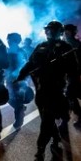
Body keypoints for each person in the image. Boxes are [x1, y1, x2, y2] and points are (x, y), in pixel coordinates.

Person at [14, 21, 79, 160]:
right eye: (47, 29)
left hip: (55, 90)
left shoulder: (66, 48)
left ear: (58, 32)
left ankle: (40, 150)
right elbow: (30, 63)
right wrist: (21, 75)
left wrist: (72, 88)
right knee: (46, 120)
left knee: (47, 121)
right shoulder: (41, 46)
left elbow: (74, 71)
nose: (48, 32)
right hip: (40, 89)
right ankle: (56, 139)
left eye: (51, 30)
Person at [5, 32, 32, 130]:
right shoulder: (8, 51)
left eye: (10, 39)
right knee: (9, 98)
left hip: (19, 80)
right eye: (8, 39)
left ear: (15, 41)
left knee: (17, 99)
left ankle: (18, 121)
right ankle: (20, 108)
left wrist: (15, 74)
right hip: (9, 79)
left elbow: (23, 64)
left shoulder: (21, 51)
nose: (8, 41)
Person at [63, 24, 81, 129]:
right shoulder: (63, 44)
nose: (65, 33)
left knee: (71, 94)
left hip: (75, 74)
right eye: (65, 31)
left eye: (68, 31)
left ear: (72, 32)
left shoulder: (76, 44)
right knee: (71, 95)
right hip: (67, 74)